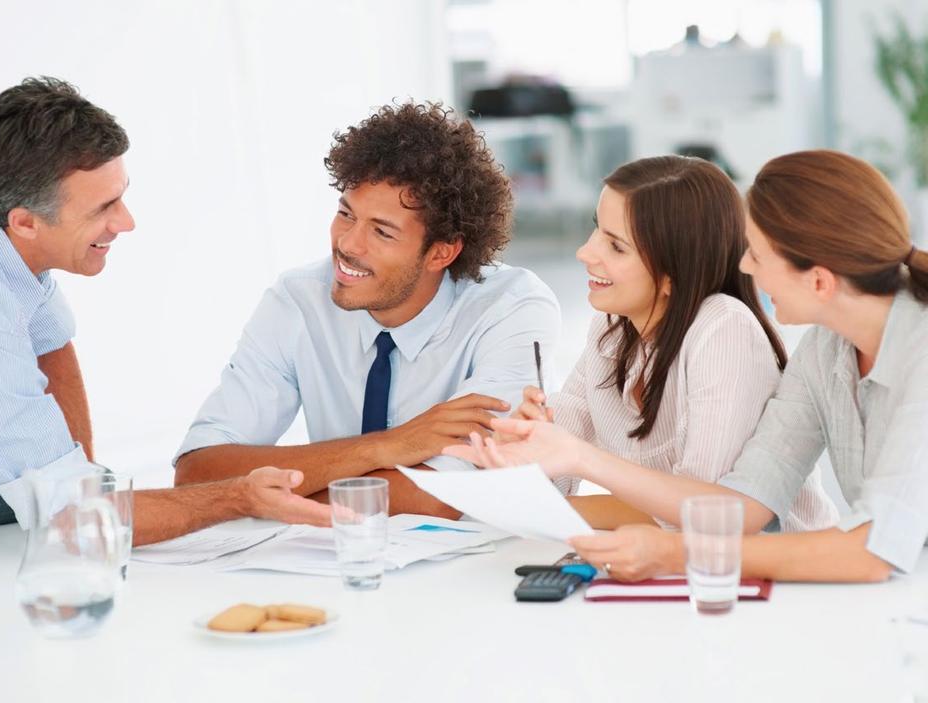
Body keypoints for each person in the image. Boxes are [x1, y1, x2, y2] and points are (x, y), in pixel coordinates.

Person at [452, 150, 928, 583]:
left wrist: (678, 552)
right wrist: (559, 455)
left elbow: (871, 552)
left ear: (820, 281)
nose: (743, 267)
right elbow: (741, 507)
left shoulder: (917, 353)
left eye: (757, 254)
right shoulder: (825, 351)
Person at [0, 77, 330, 544]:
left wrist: (81, 471)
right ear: (24, 222)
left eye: (121, 194)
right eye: (104, 208)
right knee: (61, 502)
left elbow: (49, 341)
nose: (127, 222)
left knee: (81, 484)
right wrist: (238, 497)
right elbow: (77, 515)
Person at [174, 102, 561, 516]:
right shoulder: (298, 301)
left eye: (382, 231)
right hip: (325, 560)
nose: (348, 244)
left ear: (441, 253)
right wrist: (388, 446)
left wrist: (262, 496)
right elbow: (197, 472)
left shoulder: (511, 310)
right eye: (346, 214)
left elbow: (442, 496)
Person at [450, 155, 836, 530]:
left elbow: (704, 512)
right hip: (673, 567)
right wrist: (524, 452)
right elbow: (555, 480)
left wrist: (567, 490)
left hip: (775, 577)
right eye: (596, 228)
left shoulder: (723, 328)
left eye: (616, 246)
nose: (585, 252)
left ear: (673, 273)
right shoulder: (611, 330)